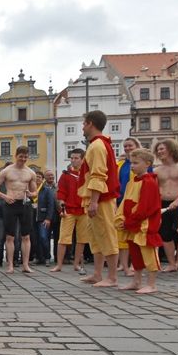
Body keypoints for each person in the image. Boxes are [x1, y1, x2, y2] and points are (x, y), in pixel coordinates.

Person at [78, 110, 120, 287]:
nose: (82, 127)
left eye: (83, 124)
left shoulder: (97, 146)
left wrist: (94, 200)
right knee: (96, 236)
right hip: (97, 198)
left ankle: (111, 277)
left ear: (90, 124)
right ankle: (97, 274)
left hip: (101, 198)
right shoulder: (100, 144)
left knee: (107, 234)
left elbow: (98, 175)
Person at [119, 148, 162, 294]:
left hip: (144, 224)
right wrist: (124, 219)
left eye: (136, 163)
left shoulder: (149, 182)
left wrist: (130, 221)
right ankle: (136, 281)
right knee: (135, 253)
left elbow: (145, 207)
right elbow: (126, 202)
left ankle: (151, 283)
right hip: (132, 223)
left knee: (148, 253)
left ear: (147, 164)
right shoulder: (133, 182)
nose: (132, 166)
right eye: (131, 162)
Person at [0, 146, 38, 274]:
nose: (23, 159)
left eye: (25, 157)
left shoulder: (30, 172)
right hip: (10, 204)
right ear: (16, 156)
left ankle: (25, 265)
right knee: (10, 236)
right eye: (21, 156)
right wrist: (5, 196)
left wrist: (32, 194)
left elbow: (35, 192)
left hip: (25, 204)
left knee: (26, 236)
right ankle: (10, 265)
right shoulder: (7, 171)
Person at [154, 140, 178, 273]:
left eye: (162, 149)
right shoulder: (157, 170)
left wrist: (177, 200)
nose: (160, 152)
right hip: (163, 204)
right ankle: (172, 264)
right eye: (158, 150)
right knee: (165, 234)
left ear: (171, 149)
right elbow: (155, 187)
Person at [52, 149, 90, 274]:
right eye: (72, 158)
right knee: (63, 239)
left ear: (82, 159)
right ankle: (59, 265)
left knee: (82, 239)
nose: (73, 160)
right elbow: (61, 193)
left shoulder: (87, 175)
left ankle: (76, 264)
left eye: (76, 158)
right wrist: (61, 207)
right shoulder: (66, 175)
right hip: (69, 210)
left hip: (83, 210)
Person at [116, 137, 141, 275]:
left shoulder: (144, 164)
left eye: (130, 146)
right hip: (122, 201)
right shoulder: (121, 164)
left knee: (136, 234)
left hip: (137, 201)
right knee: (122, 234)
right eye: (125, 146)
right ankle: (124, 265)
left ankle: (134, 264)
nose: (127, 148)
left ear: (137, 146)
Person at [36, 169, 57, 266]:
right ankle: (41, 258)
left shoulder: (46, 190)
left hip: (43, 218)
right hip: (33, 218)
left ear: (42, 179)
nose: (37, 179)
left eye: (39, 177)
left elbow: (51, 205)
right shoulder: (31, 190)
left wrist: (48, 218)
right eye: (35, 178)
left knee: (44, 237)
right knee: (37, 239)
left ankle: (47, 257)